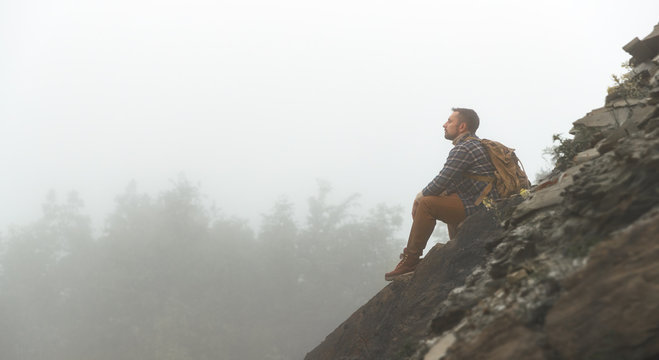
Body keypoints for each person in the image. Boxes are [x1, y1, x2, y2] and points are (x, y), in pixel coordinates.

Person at [385, 107, 498, 281]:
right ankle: (458, 249)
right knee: (443, 198)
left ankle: (411, 259)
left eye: (450, 121)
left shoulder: (465, 148)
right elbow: (451, 182)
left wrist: (418, 198)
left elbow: (442, 180)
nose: (444, 125)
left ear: (462, 127)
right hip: (479, 202)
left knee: (427, 203)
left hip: (479, 206)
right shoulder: (472, 144)